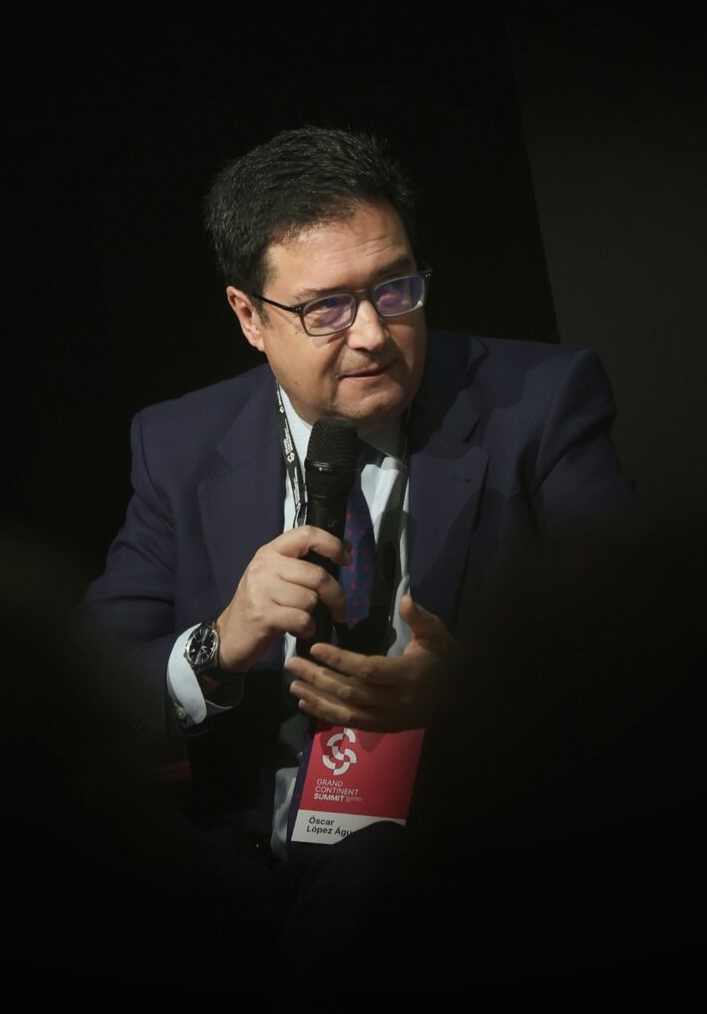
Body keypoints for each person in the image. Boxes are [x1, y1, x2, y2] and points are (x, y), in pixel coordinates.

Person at [74, 125, 632, 962]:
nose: (372, 333)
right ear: (250, 317)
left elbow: (633, 637)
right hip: (239, 855)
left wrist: (465, 691)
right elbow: (85, 677)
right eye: (326, 308)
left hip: (450, 848)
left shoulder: (541, 403)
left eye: (395, 288)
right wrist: (217, 645)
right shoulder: (178, 443)